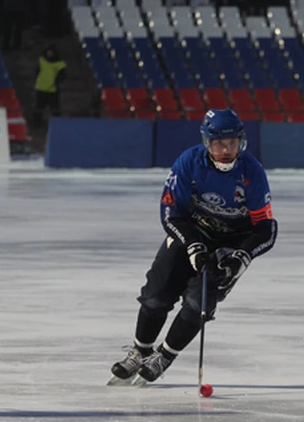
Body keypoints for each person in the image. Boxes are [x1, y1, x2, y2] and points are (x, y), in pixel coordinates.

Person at [109, 109, 278, 384]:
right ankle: (140, 352)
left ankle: (164, 356)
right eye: (218, 144)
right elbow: (170, 212)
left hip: (231, 243)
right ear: (206, 143)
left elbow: (265, 229)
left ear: (241, 142)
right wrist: (192, 244)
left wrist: (240, 258)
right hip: (192, 232)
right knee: (156, 295)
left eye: (232, 143)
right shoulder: (189, 162)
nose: (225, 150)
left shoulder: (252, 172)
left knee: (198, 303)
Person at [32, 44, 66, 128]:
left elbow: (63, 76)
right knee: (38, 109)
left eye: (51, 52)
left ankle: (58, 126)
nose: (49, 53)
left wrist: (56, 83)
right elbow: (37, 72)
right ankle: (36, 126)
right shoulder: (42, 60)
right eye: (48, 52)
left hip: (52, 90)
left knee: (55, 109)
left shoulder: (60, 64)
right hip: (41, 88)